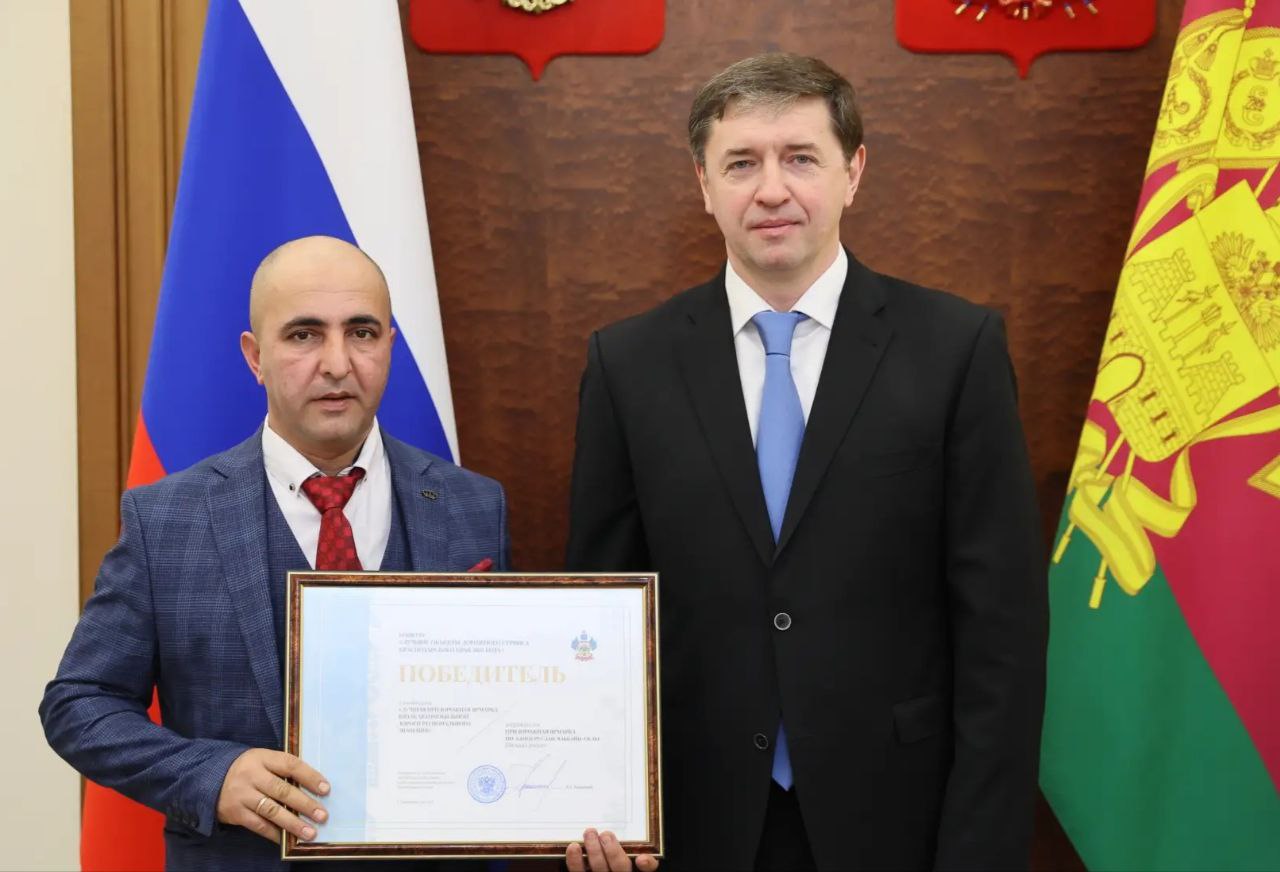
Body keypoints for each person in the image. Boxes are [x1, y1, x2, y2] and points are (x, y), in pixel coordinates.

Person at [565, 54, 1048, 871]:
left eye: (800, 158)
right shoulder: (628, 364)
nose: (771, 190)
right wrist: (601, 809)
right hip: (694, 824)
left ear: (853, 172)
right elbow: (600, 612)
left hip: (900, 819)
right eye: (741, 163)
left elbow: (1002, 630)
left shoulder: (955, 350)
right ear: (703, 184)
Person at [40, 236, 512, 870]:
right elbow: (78, 703)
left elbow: (507, 704)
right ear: (255, 357)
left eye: (362, 332)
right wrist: (211, 775)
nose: (338, 363)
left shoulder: (473, 506)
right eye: (304, 335)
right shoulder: (167, 519)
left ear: (390, 347)